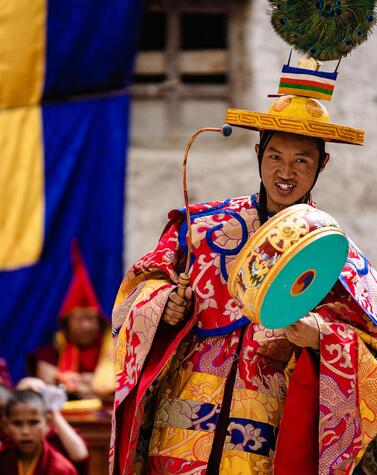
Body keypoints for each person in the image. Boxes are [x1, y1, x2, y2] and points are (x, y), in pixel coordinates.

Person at [111, 90, 377, 474]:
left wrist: (322, 335)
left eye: (302, 160)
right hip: (180, 417)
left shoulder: (337, 255)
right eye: (275, 157)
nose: (286, 173)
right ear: (257, 155)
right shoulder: (201, 228)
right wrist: (163, 304)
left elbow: (369, 338)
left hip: (265, 426)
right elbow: (138, 286)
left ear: (323, 164)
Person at [28, 243, 115, 401]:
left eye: (91, 319)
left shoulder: (114, 351)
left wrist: (96, 390)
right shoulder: (51, 353)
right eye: (80, 319)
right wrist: (90, 384)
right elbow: (45, 385)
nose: (86, 326)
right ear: (66, 324)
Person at [16, 377, 89, 475]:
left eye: (39, 393)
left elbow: (80, 455)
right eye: (26, 393)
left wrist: (54, 412)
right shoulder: (10, 431)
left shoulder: (56, 433)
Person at [0, 389, 77, 474]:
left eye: (33, 422)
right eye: (17, 423)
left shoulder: (60, 468)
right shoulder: (3, 459)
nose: (25, 431)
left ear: (47, 423)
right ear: (5, 425)